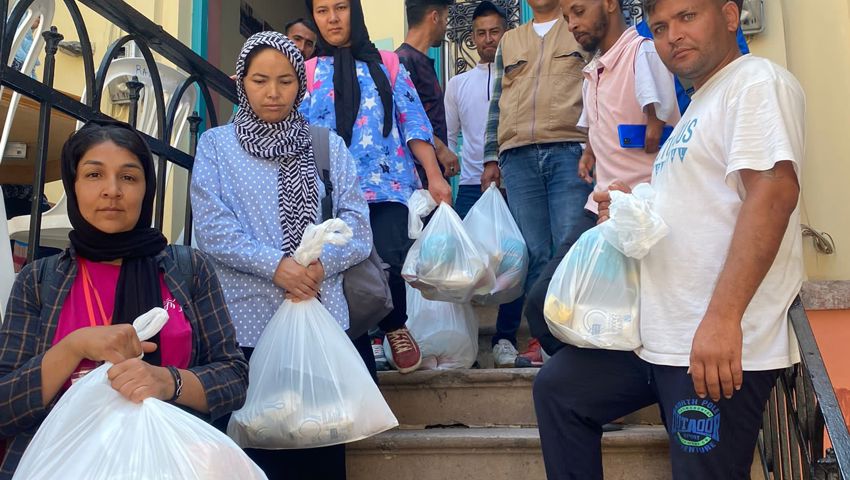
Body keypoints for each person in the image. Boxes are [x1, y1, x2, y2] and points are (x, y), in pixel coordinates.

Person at [533, 0, 806, 478]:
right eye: (659, 27)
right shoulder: (698, 104)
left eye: (687, 17)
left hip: (714, 351)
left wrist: (723, 320)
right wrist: (629, 204)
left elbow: (773, 193)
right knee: (560, 390)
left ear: (727, 15)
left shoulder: (755, 82)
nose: (672, 36)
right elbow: (694, 205)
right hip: (660, 341)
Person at [0, 119, 249, 478]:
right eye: (94, 175)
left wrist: (168, 382)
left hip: (171, 463)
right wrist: (73, 347)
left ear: (146, 189)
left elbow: (233, 378)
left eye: (129, 177)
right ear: (73, 186)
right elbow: (5, 405)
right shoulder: (39, 280)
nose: (112, 190)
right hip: (61, 465)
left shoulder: (188, 269)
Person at [191, 32, 372, 479]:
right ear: (241, 83)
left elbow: (358, 228)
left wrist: (316, 267)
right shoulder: (216, 145)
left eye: (285, 81)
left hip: (319, 322)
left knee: (319, 453)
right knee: (250, 456)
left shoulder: (326, 146)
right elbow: (212, 229)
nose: (273, 93)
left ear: (300, 84)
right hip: (244, 329)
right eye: (259, 80)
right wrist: (277, 267)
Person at [303, 0, 453, 375]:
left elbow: (414, 122)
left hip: (386, 185)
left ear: (355, 10)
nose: (332, 18)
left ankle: (394, 324)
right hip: (329, 191)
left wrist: (434, 177)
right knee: (339, 267)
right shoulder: (305, 72)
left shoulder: (388, 64)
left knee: (388, 257)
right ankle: (363, 338)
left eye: (340, 7)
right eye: (322, 11)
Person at [524, 0, 680, 357]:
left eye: (578, 12)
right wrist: (589, 154)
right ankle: (582, 377)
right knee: (542, 302)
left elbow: (662, 129)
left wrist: (646, 132)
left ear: (610, 4)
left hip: (638, 217)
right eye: (566, 18)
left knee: (628, 318)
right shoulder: (592, 71)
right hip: (597, 210)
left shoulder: (643, 54)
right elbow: (597, 128)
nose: (572, 24)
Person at [482, 0, 592, 366]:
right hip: (517, 156)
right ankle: (549, 344)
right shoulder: (510, 40)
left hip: (569, 150)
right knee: (534, 254)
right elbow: (497, 100)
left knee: (570, 249)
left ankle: (578, 345)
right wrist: (490, 157)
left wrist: (595, 144)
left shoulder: (578, 27)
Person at [444, 1, 522, 367]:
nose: (488, 39)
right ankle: (465, 343)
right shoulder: (458, 84)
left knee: (514, 266)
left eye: (495, 31)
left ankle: (506, 338)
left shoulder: (519, 76)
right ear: (471, 37)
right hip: (471, 189)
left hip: (515, 185)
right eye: (481, 33)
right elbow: (449, 137)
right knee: (461, 270)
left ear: (506, 31)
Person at [396, 0, 460, 184]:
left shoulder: (419, 61)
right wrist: (441, 149)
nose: (446, 26)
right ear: (435, 17)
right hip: (418, 181)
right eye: (446, 19)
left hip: (433, 178)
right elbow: (403, 119)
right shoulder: (402, 63)